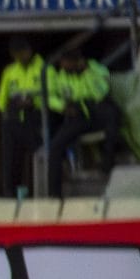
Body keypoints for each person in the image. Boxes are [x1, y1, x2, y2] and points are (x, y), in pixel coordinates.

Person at [43, 50, 121, 192]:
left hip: (98, 108)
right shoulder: (61, 76)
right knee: (55, 146)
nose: (64, 67)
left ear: (78, 61)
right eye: (62, 64)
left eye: (67, 64)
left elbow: (100, 93)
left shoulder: (97, 69)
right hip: (77, 113)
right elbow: (50, 97)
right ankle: (53, 194)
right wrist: (62, 106)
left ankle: (107, 164)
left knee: (113, 114)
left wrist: (86, 73)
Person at [0, 38, 50, 197]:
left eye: (22, 54)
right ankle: (11, 196)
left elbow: (52, 93)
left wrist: (33, 102)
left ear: (29, 51)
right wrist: (9, 106)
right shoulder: (10, 71)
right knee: (11, 160)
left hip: (35, 117)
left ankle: (46, 193)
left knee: (40, 155)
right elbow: (1, 97)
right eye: (16, 55)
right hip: (13, 119)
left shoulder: (44, 68)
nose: (20, 58)